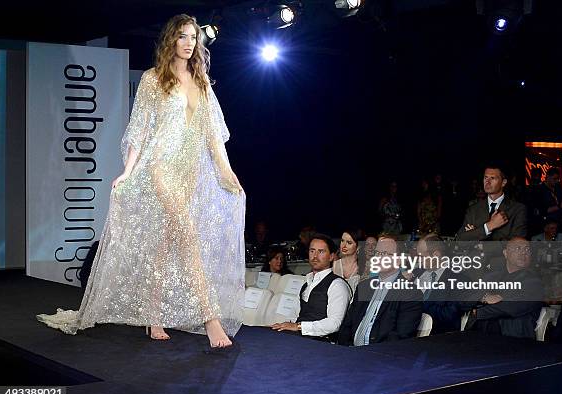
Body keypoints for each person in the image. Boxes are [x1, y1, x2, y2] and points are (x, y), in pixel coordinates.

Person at [37, 14, 244, 348]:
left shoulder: (201, 82)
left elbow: (213, 138)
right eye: (182, 36)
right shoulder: (153, 79)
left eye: (193, 37)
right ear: (170, 41)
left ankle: (153, 315)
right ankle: (211, 319)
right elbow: (139, 131)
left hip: (190, 171)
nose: (189, 43)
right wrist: (129, 171)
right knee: (189, 238)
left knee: (164, 245)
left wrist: (226, 171)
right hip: (160, 166)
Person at [337, 236, 422, 346]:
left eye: (385, 253)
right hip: (350, 352)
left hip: (380, 356)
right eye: (377, 253)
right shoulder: (364, 287)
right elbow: (347, 325)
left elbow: (400, 336)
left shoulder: (410, 293)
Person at [271, 234, 351, 340]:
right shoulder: (306, 283)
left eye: (321, 251)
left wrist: (299, 327)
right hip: (298, 338)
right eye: (312, 251)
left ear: (331, 256)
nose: (315, 256)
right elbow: (295, 314)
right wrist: (284, 326)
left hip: (320, 343)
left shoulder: (337, 285)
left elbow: (334, 324)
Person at [465, 238, 543, 339]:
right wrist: (484, 297)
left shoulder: (534, 282)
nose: (524, 253)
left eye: (527, 250)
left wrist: (477, 312)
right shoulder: (491, 276)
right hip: (480, 333)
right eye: (518, 248)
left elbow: (511, 307)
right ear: (505, 253)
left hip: (512, 336)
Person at [413, 234, 470, 334]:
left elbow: (449, 315)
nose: (418, 260)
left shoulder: (458, 280)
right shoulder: (415, 273)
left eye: (421, 256)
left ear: (436, 254)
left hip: (436, 337)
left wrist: (417, 303)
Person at [456, 166, 527, 242]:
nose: (487, 182)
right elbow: (460, 239)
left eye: (492, 178)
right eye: (485, 178)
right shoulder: (473, 209)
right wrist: (489, 226)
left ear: (503, 183)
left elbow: (517, 245)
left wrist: (475, 235)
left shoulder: (517, 209)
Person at [333, 230, 361, 294]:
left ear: (358, 247)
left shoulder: (363, 267)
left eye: (349, 242)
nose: (344, 245)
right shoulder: (334, 265)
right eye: (342, 241)